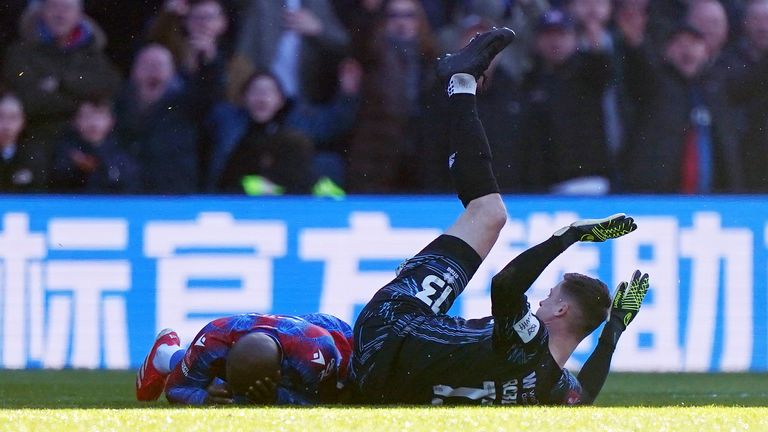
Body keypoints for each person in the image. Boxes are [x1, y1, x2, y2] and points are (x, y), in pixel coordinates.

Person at [351, 27, 649, 406]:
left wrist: (568, 235)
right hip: (381, 387)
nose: (541, 302)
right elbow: (585, 393)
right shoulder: (553, 391)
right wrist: (614, 328)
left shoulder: (529, 341)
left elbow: (505, 285)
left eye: (549, 296)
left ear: (561, 310)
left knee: (489, 213)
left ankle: (461, 83)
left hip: (391, 328)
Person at [136, 312, 353, 405]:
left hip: (335, 336)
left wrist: (278, 398)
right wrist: (205, 399)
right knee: (204, 376)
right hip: (287, 337)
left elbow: (324, 402)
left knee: (351, 395)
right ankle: (166, 353)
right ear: (226, 360)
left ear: (278, 374)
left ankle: (167, 355)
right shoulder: (213, 338)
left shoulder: (316, 356)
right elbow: (175, 389)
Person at [50, 99, 140, 193]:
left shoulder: (125, 153)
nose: (93, 123)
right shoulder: (64, 152)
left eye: (99, 116)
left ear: (111, 121)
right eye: (86, 116)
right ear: (74, 121)